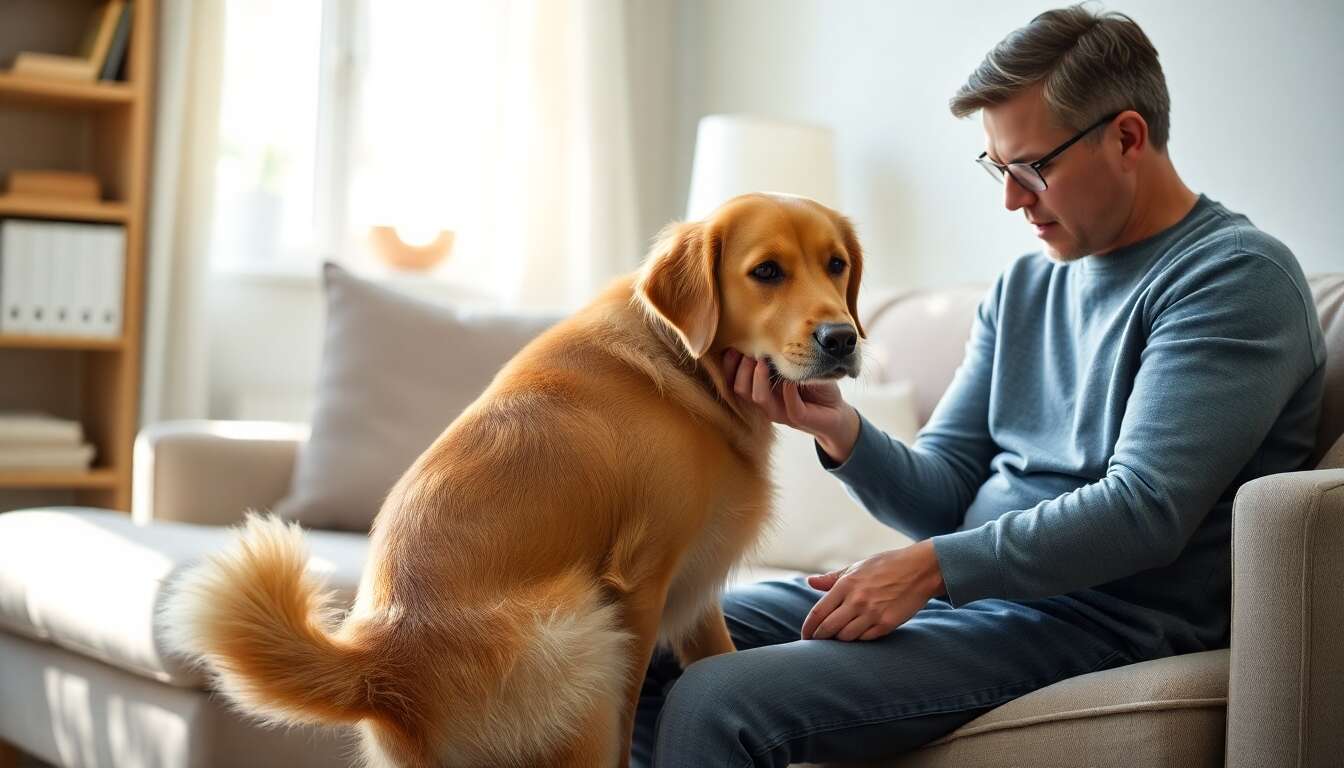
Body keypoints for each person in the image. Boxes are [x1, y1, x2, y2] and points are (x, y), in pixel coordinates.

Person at [631, 5, 1326, 767]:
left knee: (717, 696)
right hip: (976, 602)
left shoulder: (1231, 279)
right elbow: (946, 488)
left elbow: (1147, 509)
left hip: (1095, 622)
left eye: (1033, 167)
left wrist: (931, 568)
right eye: (998, 168)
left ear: (1128, 137)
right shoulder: (1025, 285)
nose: (1011, 200)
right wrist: (839, 430)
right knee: (648, 643)